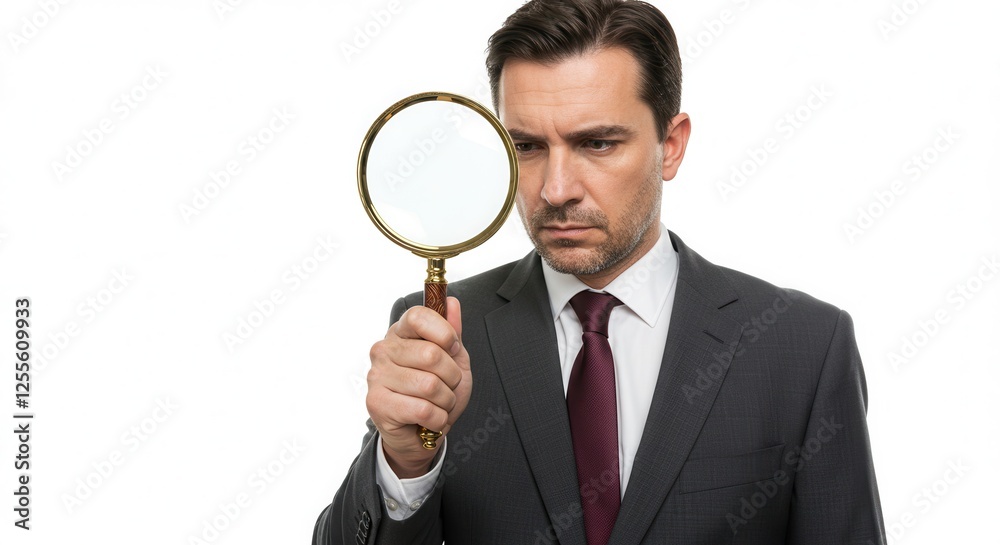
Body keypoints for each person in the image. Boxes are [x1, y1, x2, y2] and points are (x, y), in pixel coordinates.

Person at [313, 0, 887, 543]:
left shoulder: (803, 347)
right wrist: (405, 464)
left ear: (671, 145)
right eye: (528, 147)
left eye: (597, 143)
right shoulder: (443, 334)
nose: (556, 190)